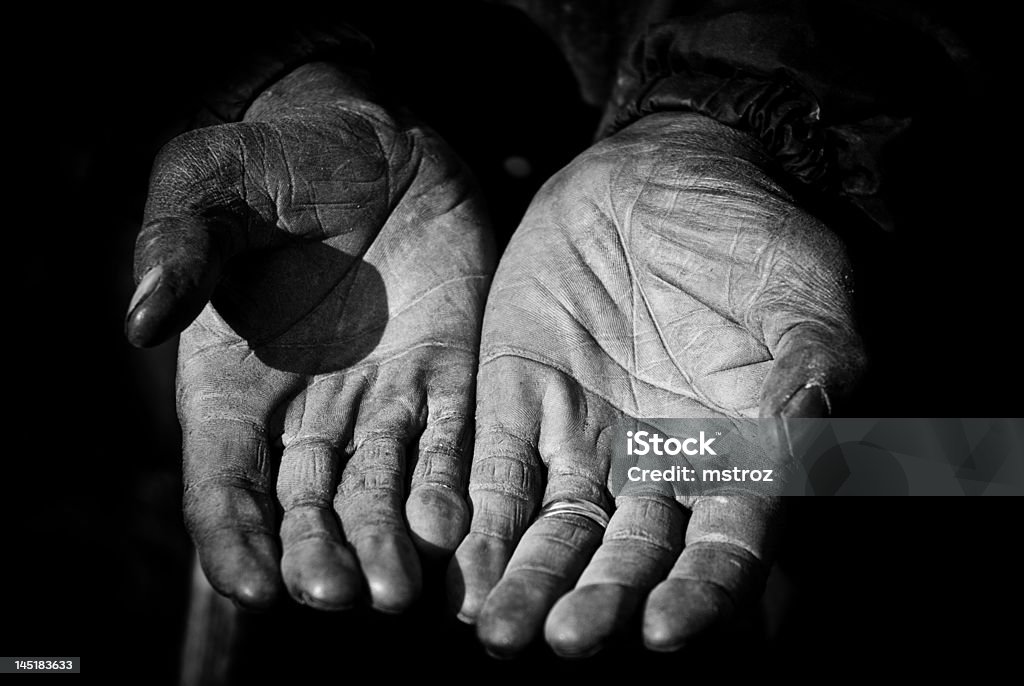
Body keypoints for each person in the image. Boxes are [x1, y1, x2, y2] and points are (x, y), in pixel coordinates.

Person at [124, 0, 972, 660]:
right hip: (338, 304)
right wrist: (290, 72)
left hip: (880, 313)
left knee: (917, 484)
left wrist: (737, 122)